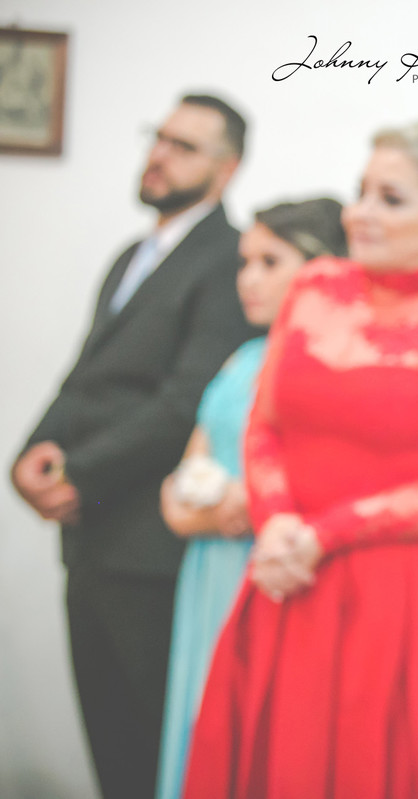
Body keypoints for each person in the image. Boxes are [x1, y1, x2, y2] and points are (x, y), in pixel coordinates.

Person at [182, 120, 418, 799]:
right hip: (291, 573)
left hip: (405, 592)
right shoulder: (314, 287)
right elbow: (264, 424)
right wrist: (278, 521)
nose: (360, 213)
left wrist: (326, 532)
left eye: (390, 199)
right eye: (361, 191)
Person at [9, 93, 253, 799]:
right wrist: (33, 452)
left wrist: (79, 473)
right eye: (159, 137)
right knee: (109, 742)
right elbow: (87, 374)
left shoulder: (229, 259)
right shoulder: (131, 257)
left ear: (227, 168)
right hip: (91, 537)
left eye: (184, 146)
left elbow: (184, 401)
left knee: (150, 748)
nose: (159, 155)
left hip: (149, 547)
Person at [154, 198, 347, 799]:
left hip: (275, 574)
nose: (249, 279)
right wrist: (197, 509)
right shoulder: (242, 359)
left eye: (270, 262)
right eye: (245, 263)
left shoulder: (334, 363)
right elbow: (181, 481)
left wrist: (249, 508)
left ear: (321, 268)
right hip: (209, 566)